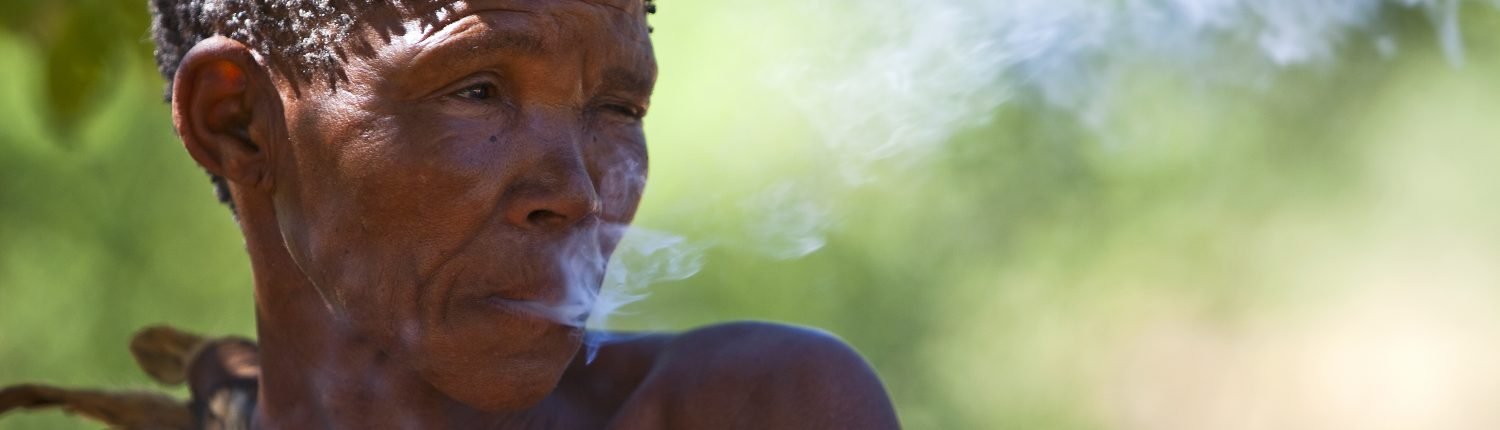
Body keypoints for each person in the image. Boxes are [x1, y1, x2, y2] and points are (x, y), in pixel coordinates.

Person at [5, 0, 896, 428]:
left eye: (617, 108)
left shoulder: (758, 409)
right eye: (476, 90)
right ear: (237, 121)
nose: (582, 193)